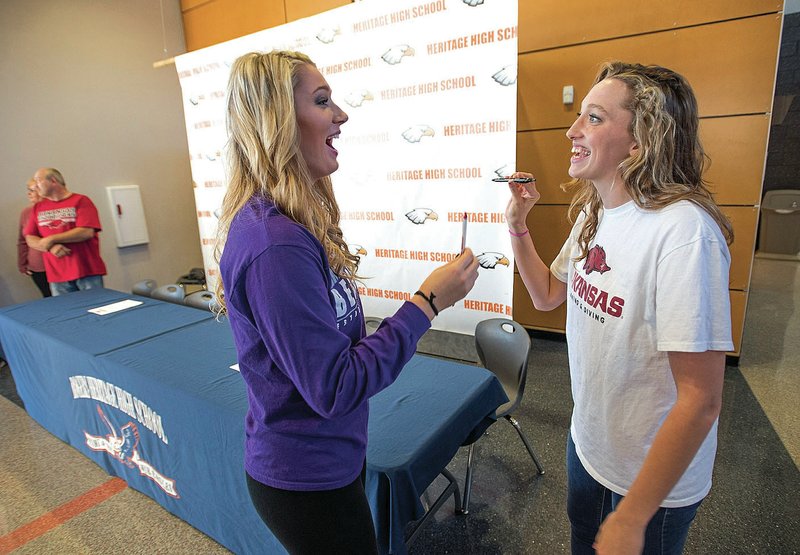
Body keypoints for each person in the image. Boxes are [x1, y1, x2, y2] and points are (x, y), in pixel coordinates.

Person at [215, 50, 479, 554]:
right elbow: (336, 387)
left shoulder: (291, 226)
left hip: (331, 459)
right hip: (305, 480)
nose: (341, 115)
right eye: (321, 102)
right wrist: (427, 302)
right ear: (277, 120)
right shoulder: (275, 245)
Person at [505, 62, 733, 555]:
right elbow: (547, 294)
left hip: (651, 487)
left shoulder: (684, 235)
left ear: (640, 141)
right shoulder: (596, 210)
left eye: (593, 118)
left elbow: (701, 401)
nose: (571, 130)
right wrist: (518, 225)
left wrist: (632, 517)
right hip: (588, 445)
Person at [24, 168, 107, 296]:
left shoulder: (81, 201)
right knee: (67, 314)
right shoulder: (38, 207)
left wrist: (51, 239)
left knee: (97, 309)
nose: (35, 186)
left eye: (38, 180)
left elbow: (86, 232)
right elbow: (30, 238)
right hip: (56, 275)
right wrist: (50, 247)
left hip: (86, 271)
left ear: (53, 180)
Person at [17, 179, 51, 297]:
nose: (29, 193)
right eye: (28, 190)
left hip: (57, 263)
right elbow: (22, 240)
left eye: (32, 190)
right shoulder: (26, 212)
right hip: (37, 267)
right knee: (49, 298)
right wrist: (22, 263)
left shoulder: (54, 210)